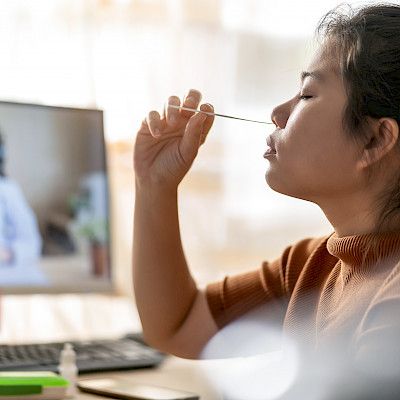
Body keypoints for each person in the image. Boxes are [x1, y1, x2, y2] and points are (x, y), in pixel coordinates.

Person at [133, 3, 400, 396]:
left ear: (376, 140)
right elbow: (178, 326)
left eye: (307, 94)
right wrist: (155, 186)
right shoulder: (311, 267)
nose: (277, 113)